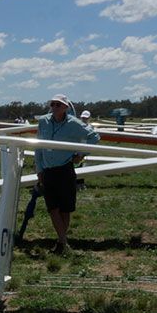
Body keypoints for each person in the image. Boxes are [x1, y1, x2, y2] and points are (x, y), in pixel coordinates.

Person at [34, 94, 98, 255]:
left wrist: (81, 154)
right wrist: (39, 169)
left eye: (58, 105)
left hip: (65, 169)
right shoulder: (43, 121)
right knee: (52, 208)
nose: (54, 107)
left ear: (66, 107)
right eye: (53, 104)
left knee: (65, 209)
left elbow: (94, 137)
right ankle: (63, 241)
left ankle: (61, 242)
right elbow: (38, 146)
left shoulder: (74, 123)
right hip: (47, 170)